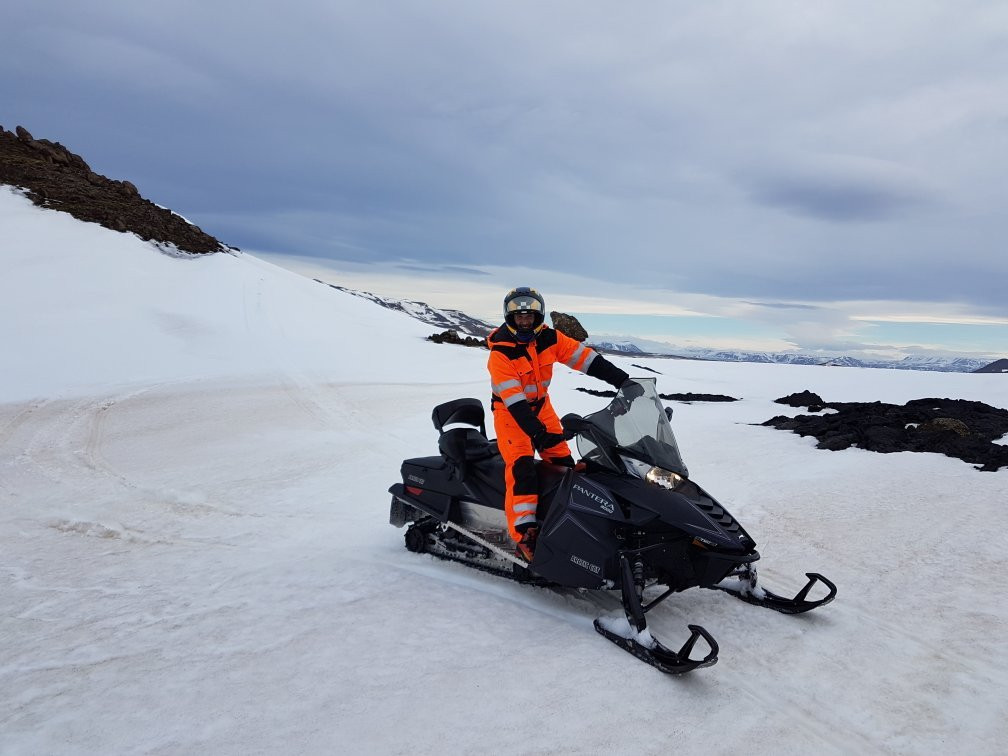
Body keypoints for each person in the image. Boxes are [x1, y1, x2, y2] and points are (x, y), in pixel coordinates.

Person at [487, 286, 638, 561]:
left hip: (541, 406)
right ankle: (524, 535)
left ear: (538, 317)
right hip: (510, 413)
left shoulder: (549, 338)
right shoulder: (501, 353)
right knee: (522, 467)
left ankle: (564, 519)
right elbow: (515, 402)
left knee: (563, 463)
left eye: (529, 317)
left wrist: (623, 381)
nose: (524, 322)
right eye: (519, 317)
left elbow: (586, 359)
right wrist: (537, 434)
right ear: (510, 318)